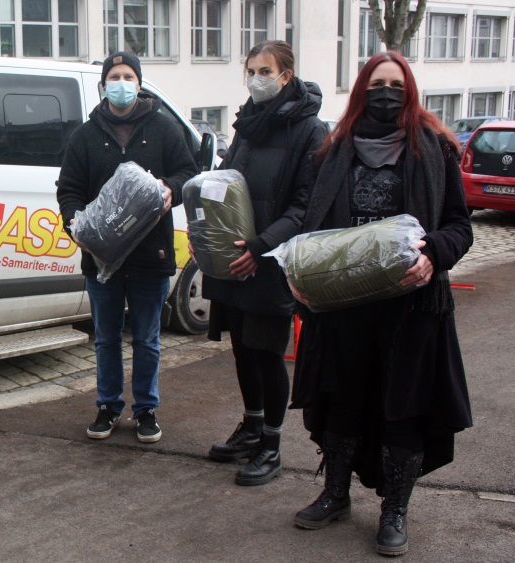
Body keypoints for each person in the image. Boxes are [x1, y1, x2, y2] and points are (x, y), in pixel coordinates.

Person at [289, 51, 473, 556]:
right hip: (345, 305)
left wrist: (435, 254)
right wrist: (300, 275)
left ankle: (395, 508)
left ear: (409, 90)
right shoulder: (333, 150)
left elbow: (460, 226)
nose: (386, 93)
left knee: (403, 410)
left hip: (412, 308)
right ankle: (336, 493)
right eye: (377, 84)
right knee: (342, 401)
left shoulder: (433, 149)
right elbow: (311, 227)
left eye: (395, 84)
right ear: (361, 91)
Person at [200, 40, 327, 486]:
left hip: (271, 261)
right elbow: (228, 181)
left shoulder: (311, 131)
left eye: (265, 70)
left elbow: (305, 205)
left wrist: (261, 246)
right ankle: (251, 426)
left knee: (268, 354)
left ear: (286, 75)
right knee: (241, 349)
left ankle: (272, 445)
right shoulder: (247, 123)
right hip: (236, 259)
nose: (256, 78)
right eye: (251, 70)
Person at [56, 51, 198, 443]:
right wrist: (76, 224)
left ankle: (146, 409)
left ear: (139, 82)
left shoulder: (164, 128)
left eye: (128, 76)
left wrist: (171, 187)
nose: (121, 83)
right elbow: (67, 189)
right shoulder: (85, 136)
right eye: (114, 76)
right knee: (105, 337)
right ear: (104, 85)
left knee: (148, 338)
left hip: (151, 254)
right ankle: (108, 406)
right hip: (101, 257)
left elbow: (189, 173)